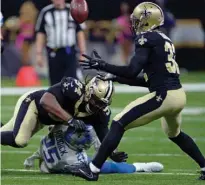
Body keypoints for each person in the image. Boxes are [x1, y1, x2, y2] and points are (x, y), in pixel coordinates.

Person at [74, 2, 205, 181]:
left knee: (119, 123)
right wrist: (114, 77)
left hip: (164, 95)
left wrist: (103, 65)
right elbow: (146, 80)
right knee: (175, 133)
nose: (134, 24)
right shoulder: (164, 39)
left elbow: (132, 70)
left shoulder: (146, 39)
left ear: (146, 21)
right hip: (178, 95)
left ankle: (93, 169)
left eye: (137, 20)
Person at [0, 75, 118, 159]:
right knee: (20, 140)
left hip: (46, 118)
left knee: (9, 135)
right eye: (96, 101)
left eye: (102, 104)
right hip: (34, 104)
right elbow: (45, 101)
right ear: (89, 91)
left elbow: (104, 135)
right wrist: (70, 119)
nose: (98, 107)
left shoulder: (100, 113)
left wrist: (112, 152)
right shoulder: (74, 88)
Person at [24, 124, 163, 174]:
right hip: (62, 163)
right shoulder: (75, 159)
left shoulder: (59, 129)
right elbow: (98, 163)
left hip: (47, 162)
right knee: (110, 167)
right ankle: (139, 167)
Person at [35, 0, 86, 85]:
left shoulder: (73, 10)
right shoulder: (46, 12)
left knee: (72, 81)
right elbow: (41, 33)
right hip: (53, 51)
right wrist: (39, 54)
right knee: (55, 83)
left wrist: (83, 52)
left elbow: (80, 32)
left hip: (69, 51)